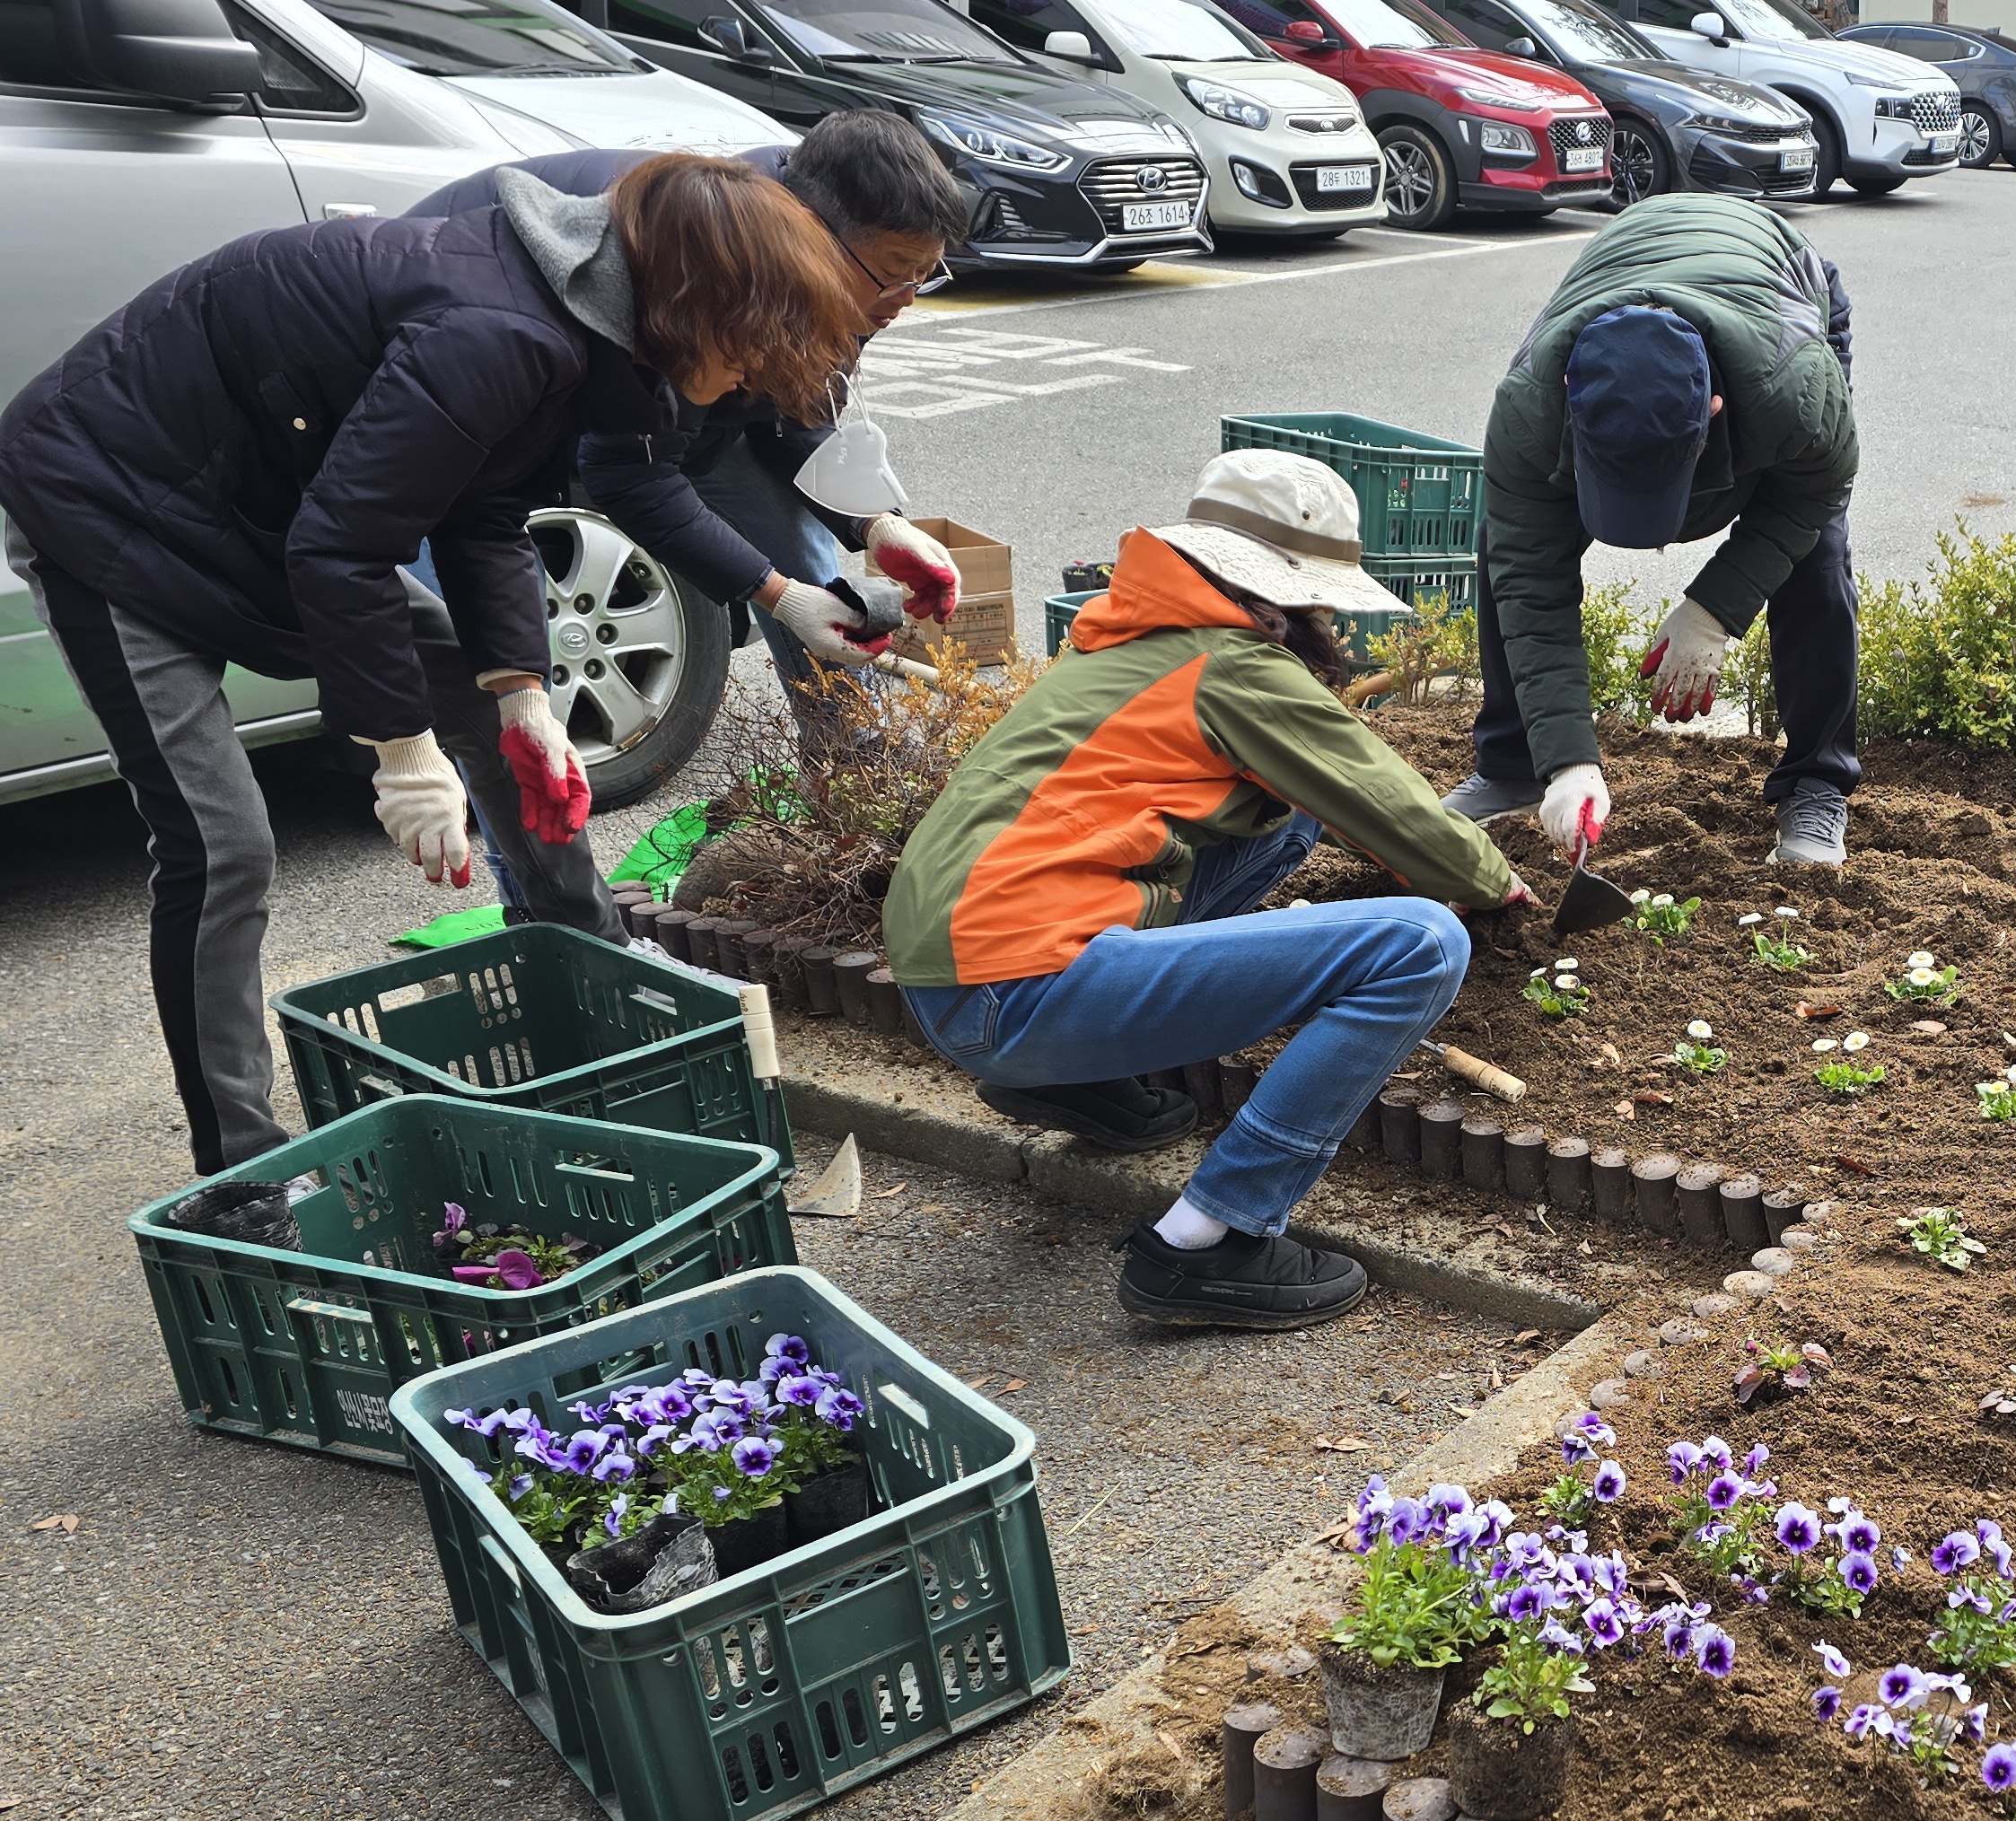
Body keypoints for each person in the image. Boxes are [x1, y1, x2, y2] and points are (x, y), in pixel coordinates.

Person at [0, 156, 869, 1228]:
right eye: (748, 347)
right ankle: (239, 1176)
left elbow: (482, 508)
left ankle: (580, 956)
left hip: (265, 510)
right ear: (693, 301)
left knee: (486, 700)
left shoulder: (586, 328)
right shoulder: (496, 331)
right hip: (109, 509)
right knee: (220, 847)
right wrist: (402, 754)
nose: (746, 381)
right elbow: (344, 551)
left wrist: (519, 695)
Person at [883, 451, 1525, 1332]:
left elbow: (1326, 801)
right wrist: (1498, 888)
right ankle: (1206, 1242)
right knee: (1420, 943)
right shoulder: (1236, 665)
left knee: (1286, 815)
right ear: (1277, 596)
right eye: (1322, 599)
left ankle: (1082, 1084)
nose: (1329, 617)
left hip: (948, 977)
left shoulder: (1133, 642)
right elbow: (1403, 817)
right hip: (1018, 990)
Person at [410, 112, 977, 736]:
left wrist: (876, 525)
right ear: (817, 235)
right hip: (472, 377)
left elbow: (799, 410)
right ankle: (487, 801)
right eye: (898, 272)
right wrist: (778, 596)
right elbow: (632, 470)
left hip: (649, 392)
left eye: (926, 274)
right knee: (491, 644)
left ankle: (858, 772)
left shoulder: (844, 269)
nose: (908, 297)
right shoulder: (712, 255)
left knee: (800, 545)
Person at [1452, 196, 1859, 870]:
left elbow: (1814, 491)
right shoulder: (1530, 407)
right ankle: (1514, 763)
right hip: (1633, 263)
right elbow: (1531, 581)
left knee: (1816, 553)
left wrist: (1714, 610)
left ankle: (1817, 783)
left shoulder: (1794, 388)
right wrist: (1570, 763)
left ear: (1714, 414)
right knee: (1505, 543)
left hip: (1777, 284)